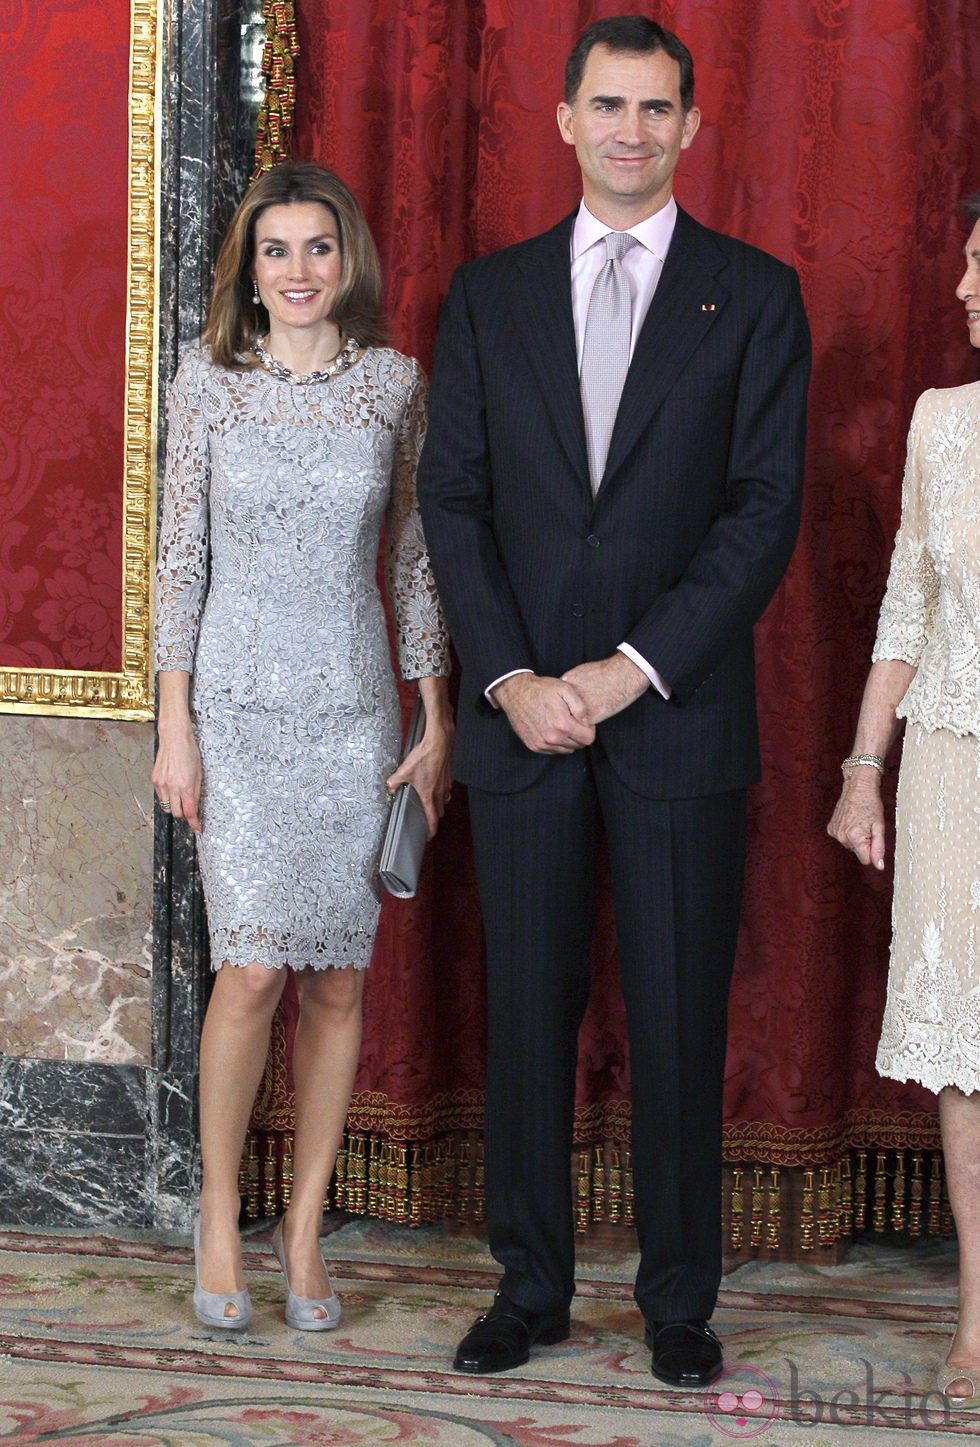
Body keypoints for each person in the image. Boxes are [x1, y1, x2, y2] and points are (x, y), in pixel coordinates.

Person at [417, 16, 810, 1385]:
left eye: (657, 107)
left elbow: (761, 515)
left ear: (693, 127)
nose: (632, 128)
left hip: (676, 717)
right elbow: (452, 502)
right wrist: (517, 677)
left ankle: (679, 1300)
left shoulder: (755, 294)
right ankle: (527, 1285)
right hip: (520, 725)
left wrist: (623, 670)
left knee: (680, 1013)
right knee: (525, 1009)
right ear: (565, 118)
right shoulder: (489, 293)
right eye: (609, 104)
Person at [152, 162, 452, 1332]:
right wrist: (174, 728)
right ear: (249, 268)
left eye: (316, 248)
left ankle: (304, 1224)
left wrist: (434, 717)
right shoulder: (208, 383)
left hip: (351, 714)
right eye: (274, 250)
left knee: (335, 980)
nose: (297, 271)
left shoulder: (393, 386)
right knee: (255, 970)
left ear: (348, 259)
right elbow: (180, 563)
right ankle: (220, 1210)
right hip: (234, 710)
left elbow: (417, 560)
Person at [827, 196, 980, 1411]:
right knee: (964, 1054)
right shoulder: (940, 423)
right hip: (948, 760)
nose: (962, 291)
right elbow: (903, 611)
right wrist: (861, 769)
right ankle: (978, 1308)